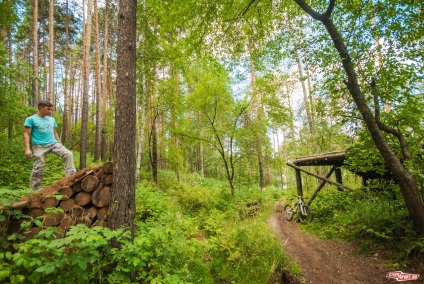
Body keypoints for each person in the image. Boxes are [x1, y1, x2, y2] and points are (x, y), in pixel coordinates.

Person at [24, 100, 76, 190]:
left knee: (68, 154)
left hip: (53, 143)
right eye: (48, 109)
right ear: (40, 108)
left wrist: (60, 144)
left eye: (51, 109)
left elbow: (55, 132)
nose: (50, 111)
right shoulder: (31, 119)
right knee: (38, 167)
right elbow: (26, 134)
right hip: (39, 146)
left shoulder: (52, 120)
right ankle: (36, 191)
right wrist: (27, 149)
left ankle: (71, 178)